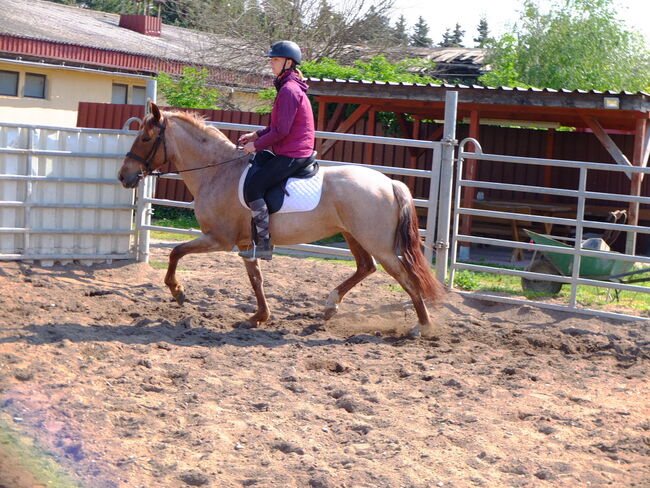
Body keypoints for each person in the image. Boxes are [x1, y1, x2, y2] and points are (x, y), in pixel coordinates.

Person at [237, 40, 315, 261]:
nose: (271, 64)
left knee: (254, 188)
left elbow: (281, 131)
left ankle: (264, 244)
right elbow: (276, 127)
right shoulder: (289, 86)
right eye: (271, 59)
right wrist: (256, 135)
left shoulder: (289, 90)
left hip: (293, 153)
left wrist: (256, 145)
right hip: (291, 149)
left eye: (276, 60)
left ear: (289, 62)